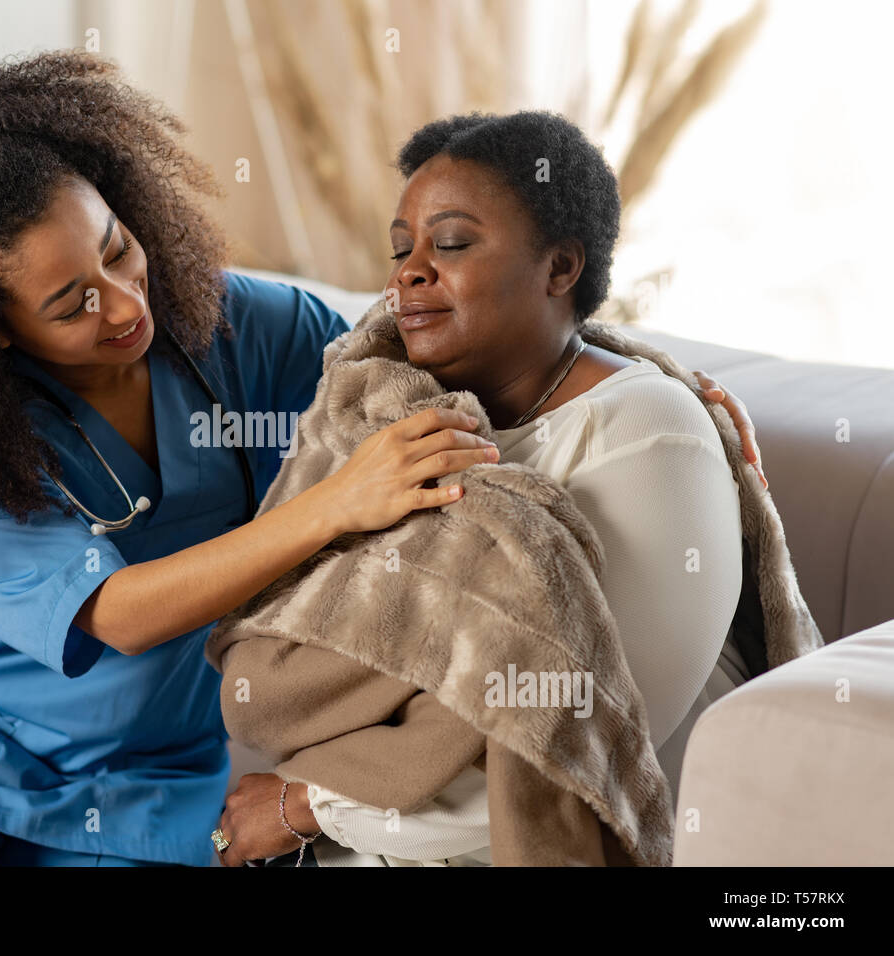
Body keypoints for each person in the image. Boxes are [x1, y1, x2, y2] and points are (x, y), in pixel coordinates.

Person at [0, 52, 505, 867]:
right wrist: (338, 502)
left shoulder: (240, 326)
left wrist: (622, 369)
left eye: (118, 248)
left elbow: (412, 342)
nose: (129, 302)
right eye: (73, 304)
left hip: (152, 784)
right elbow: (116, 614)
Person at [214, 110, 762, 867]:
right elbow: (313, 654)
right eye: (402, 248)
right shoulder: (393, 419)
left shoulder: (644, 428)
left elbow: (589, 738)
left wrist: (312, 804)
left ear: (560, 268)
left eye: (452, 243)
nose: (408, 272)